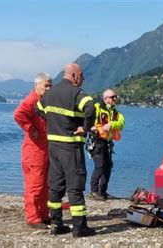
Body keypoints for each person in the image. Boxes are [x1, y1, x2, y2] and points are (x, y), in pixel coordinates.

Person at [37, 63, 96, 237]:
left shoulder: (51, 93)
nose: (83, 78)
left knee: (55, 186)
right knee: (75, 186)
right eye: (81, 75)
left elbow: (38, 108)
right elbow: (91, 107)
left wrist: (54, 122)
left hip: (53, 146)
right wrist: (85, 127)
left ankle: (56, 224)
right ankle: (79, 228)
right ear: (74, 75)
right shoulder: (76, 93)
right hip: (71, 146)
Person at [14, 73, 53, 229]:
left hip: (44, 148)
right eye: (46, 85)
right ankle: (33, 218)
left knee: (45, 185)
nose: (49, 88)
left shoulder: (43, 101)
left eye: (51, 85)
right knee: (34, 185)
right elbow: (18, 114)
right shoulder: (31, 100)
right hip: (34, 150)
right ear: (37, 85)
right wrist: (31, 129)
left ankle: (43, 215)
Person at [88, 89, 125, 201]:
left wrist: (112, 124)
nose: (115, 99)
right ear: (105, 99)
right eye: (112, 97)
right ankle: (93, 191)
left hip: (107, 143)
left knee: (108, 167)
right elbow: (86, 118)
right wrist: (90, 127)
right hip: (96, 142)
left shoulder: (116, 113)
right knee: (100, 166)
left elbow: (122, 123)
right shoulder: (96, 108)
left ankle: (102, 191)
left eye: (115, 97)